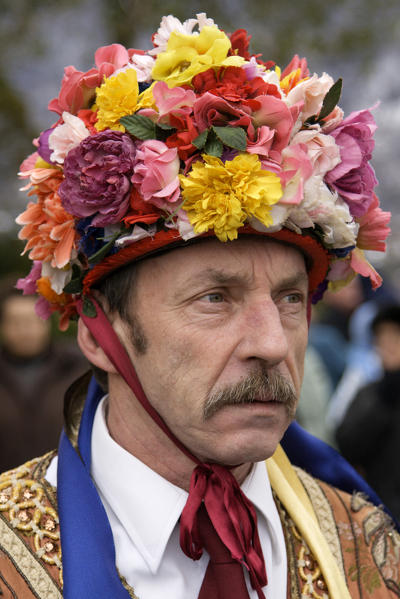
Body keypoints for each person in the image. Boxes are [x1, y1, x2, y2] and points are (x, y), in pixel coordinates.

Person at [0, 13, 398, 599]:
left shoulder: (368, 548)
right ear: (99, 335)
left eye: (290, 298)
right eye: (215, 298)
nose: (270, 344)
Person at [0, 278, 87, 471]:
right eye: (15, 322)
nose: (24, 330)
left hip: (62, 490)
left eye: (32, 320)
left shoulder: (77, 370)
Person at [336, 304, 400, 521]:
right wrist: (384, 400)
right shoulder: (370, 392)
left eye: (395, 338)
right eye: (382, 340)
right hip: (379, 513)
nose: (388, 347)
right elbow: (347, 444)